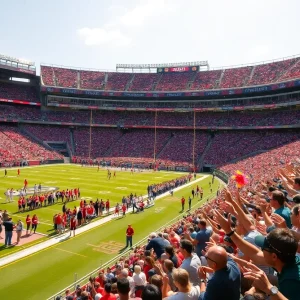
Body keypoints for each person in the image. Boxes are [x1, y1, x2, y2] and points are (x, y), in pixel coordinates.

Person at [215, 209, 300, 300]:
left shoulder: (291, 281)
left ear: (274, 256)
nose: (261, 250)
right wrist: (229, 231)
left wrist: (268, 288)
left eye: (263, 248)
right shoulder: (287, 260)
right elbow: (254, 253)